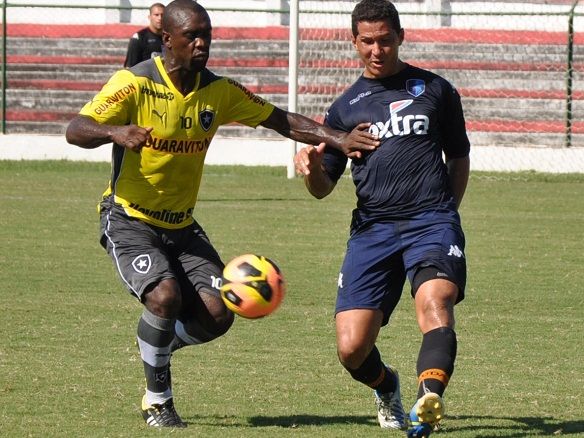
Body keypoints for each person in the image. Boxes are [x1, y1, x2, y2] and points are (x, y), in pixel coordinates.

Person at [65, 0, 379, 429]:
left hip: (181, 225)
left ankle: (155, 344)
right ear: (166, 39)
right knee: (165, 296)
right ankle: (158, 402)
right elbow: (76, 129)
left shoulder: (219, 91)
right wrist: (114, 131)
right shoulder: (133, 84)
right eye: (192, 35)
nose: (201, 43)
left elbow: (281, 120)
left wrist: (339, 139)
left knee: (219, 313)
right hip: (129, 218)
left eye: (206, 35)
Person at [294, 1, 470, 437]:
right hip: (372, 230)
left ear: (401, 36)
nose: (377, 50)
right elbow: (323, 188)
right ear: (354, 42)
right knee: (352, 348)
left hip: (431, 221)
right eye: (368, 41)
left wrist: (448, 213)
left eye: (385, 40)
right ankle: (387, 385)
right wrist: (314, 170)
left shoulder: (435, 90)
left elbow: (459, 156)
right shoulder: (344, 110)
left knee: (435, 302)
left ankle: (429, 397)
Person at [123, 3, 165, 67]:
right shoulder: (139, 37)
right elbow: (129, 67)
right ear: (149, 17)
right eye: (156, 15)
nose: (160, 18)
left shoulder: (170, 37)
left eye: (162, 15)